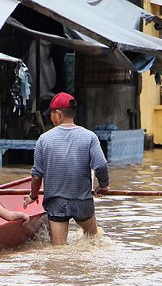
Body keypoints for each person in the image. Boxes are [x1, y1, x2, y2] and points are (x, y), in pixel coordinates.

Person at [22, 92, 109, 245]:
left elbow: (36, 175)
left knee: (59, 250)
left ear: (59, 114)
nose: (50, 118)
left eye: (51, 114)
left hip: (56, 204)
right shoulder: (89, 137)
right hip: (82, 202)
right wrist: (103, 186)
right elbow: (101, 166)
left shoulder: (44, 139)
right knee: (94, 239)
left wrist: (33, 196)